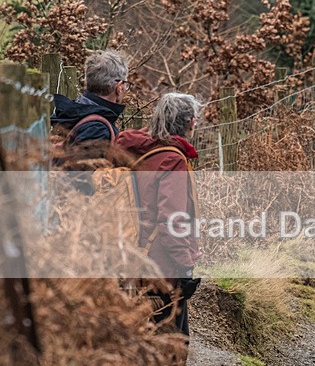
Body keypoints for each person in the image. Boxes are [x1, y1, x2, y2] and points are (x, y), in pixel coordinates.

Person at [115, 93, 202, 338]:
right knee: (171, 339)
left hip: (133, 255)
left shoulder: (140, 150)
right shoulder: (173, 160)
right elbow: (171, 222)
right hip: (161, 266)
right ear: (190, 123)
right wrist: (185, 266)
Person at [51, 50, 130, 148]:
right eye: (126, 85)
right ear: (119, 87)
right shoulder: (98, 131)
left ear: (86, 82)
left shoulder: (71, 113)